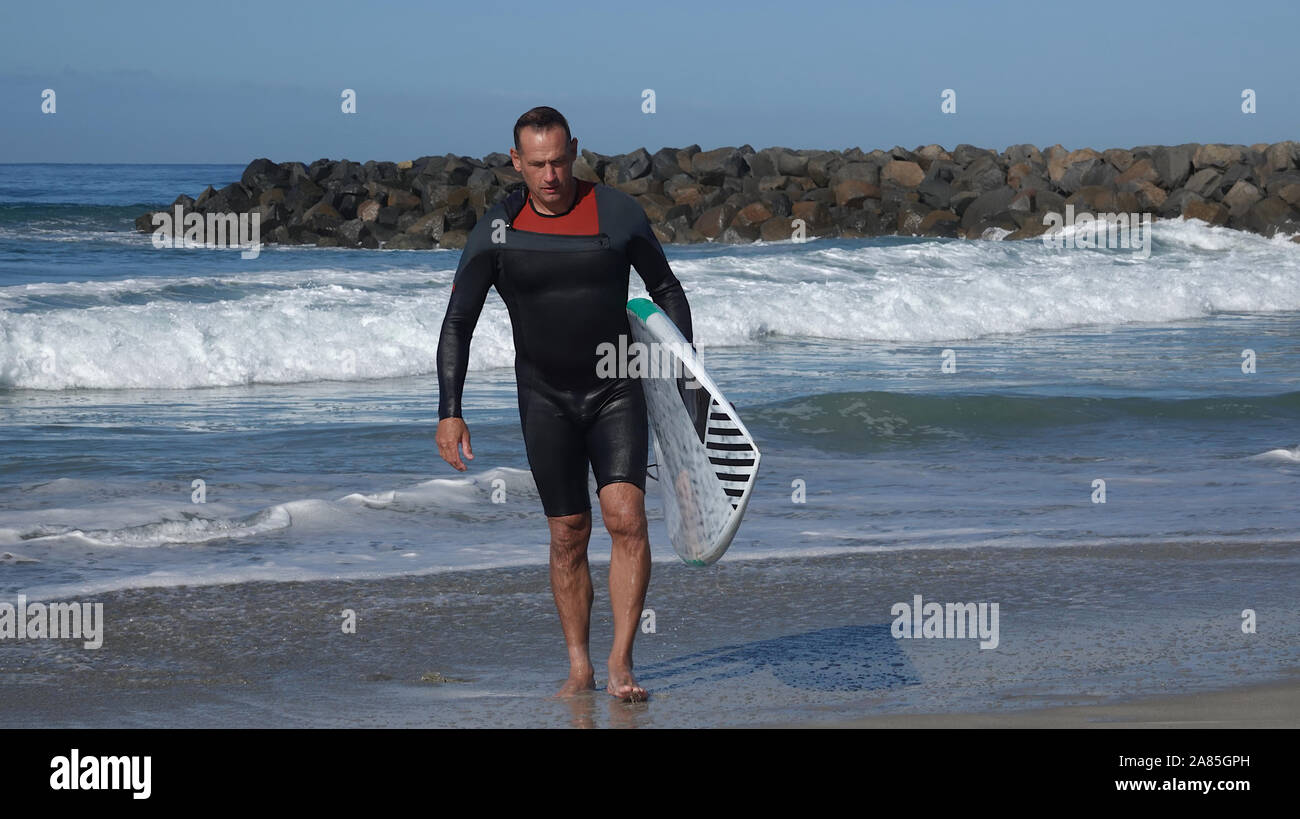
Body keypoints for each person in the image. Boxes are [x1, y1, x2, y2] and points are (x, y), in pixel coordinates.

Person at [435, 106, 692, 701]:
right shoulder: (498, 229)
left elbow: (667, 290)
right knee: (568, 533)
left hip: (618, 383)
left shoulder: (617, 212)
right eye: (538, 164)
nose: (550, 176)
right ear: (516, 160)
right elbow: (458, 323)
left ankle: (622, 663)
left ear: (574, 150)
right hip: (545, 395)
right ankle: (579, 666)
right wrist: (451, 409)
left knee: (626, 518)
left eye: (559, 161)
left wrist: (684, 379)